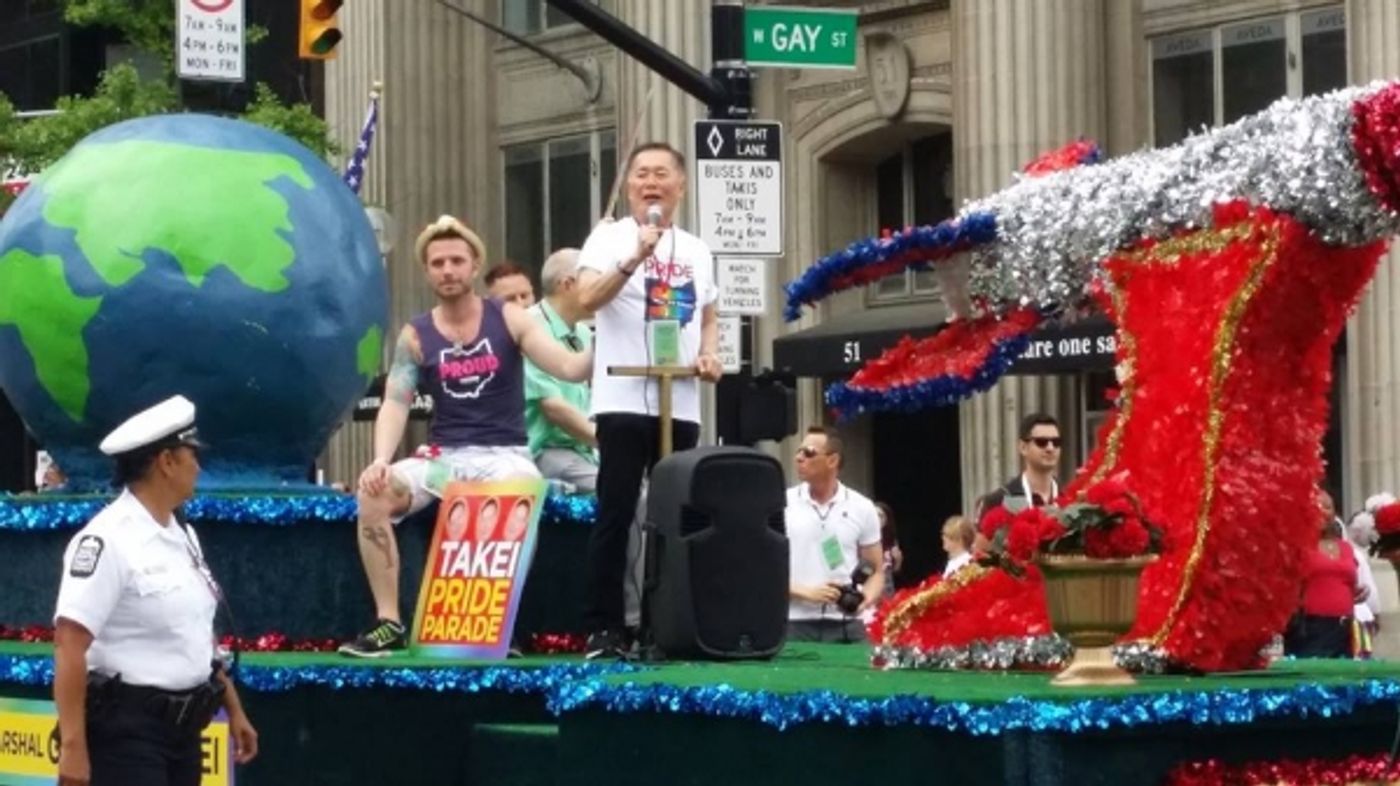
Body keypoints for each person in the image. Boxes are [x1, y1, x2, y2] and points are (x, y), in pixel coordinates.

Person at [339, 215, 594, 658]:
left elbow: (569, 368)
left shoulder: (509, 318)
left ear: (475, 266)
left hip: (505, 453)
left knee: (515, 494)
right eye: (437, 262)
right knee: (373, 495)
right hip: (444, 455)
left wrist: (607, 333)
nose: (447, 270)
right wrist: (380, 459)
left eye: (457, 260)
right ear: (427, 271)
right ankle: (387, 623)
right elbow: (396, 401)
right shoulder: (416, 334)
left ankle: (496, 626)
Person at [52, 395, 257, 786]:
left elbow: (194, 636)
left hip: (184, 733)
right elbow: (69, 643)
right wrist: (74, 747)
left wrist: (234, 710)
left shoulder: (183, 535)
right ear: (166, 462)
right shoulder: (107, 539)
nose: (198, 467)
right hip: (127, 735)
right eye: (192, 456)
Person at [575, 141, 723, 658]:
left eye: (662, 174)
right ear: (630, 184)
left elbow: (707, 315)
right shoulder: (607, 239)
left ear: (680, 186)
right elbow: (584, 300)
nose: (651, 183)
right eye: (641, 174)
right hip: (621, 398)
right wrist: (635, 254)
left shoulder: (698, 250)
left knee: (680, 515)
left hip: (678, 400)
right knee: (617, 512)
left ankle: (673, 623)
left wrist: (708, 354)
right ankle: (604, 626)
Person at [784, 426, 884, 643]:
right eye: (798, 452)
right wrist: (805, 593)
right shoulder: (781, 504)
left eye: (809, 452)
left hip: (846, 623)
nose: (799, 458)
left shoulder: (862, 507)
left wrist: (864, 599)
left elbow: (876, 569)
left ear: (832, 461)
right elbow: (764, 569)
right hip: (794, 621)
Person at [525, 248, 598, 492]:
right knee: (619, 489)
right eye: (592, 282)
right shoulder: (529, 328)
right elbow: (554, 409)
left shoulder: (585, 333)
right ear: (568, 284)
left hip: (582, 449)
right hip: (542, 450)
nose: (602, 290)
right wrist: (609, 442)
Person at [1285, 490, 1366, 659]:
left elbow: (1347, 583)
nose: (1322, 510)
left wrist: (1360, 592)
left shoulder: (1346, 548)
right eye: (1316, 506)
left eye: (1327, 507)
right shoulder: (1297, 546)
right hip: (1310, 627)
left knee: (1343, 681)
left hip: (1345, 627)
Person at [975, 413, 1063, 520]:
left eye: (1056, 442)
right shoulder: (999, 500)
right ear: (1023, 447)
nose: (1050, 448)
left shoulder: (1071, 499)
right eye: (1041, 442)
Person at [875, 502, 902, 597]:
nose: (877, 519)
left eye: (880, 516)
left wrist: (898, 560)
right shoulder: (865, 539)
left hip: (888, 589)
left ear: (886, 520)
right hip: (870, 588)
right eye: (874, 515)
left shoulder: (891, 541)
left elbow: (895, 571)